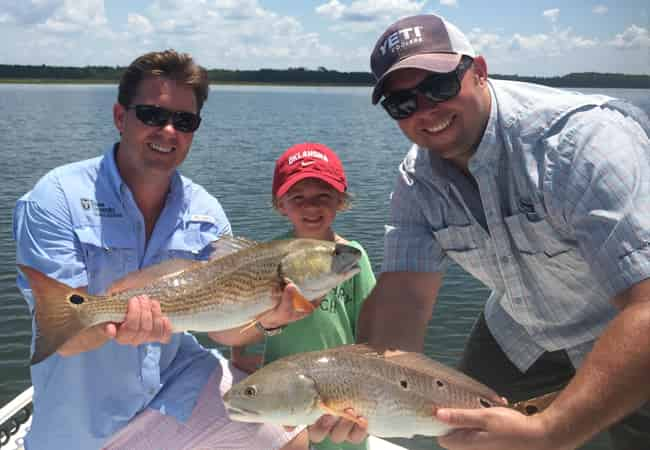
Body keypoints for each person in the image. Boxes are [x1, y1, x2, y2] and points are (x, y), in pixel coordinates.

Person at [329, 14, 650, 450]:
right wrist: (355, 394)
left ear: (478, 70)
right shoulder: (416, 179)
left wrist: (550, 432)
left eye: (439, 86)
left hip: (622, 324)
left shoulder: (582, 145)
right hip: (521, 323)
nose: (425, 111)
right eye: (402, 104)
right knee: (463, 431)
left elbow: (646, 306)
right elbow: (403, 295)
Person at [12, 49, 309, 450]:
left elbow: (223, 326)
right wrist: (114, 323)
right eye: (152, 115)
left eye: (184, 121)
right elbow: (65, 335)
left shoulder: (206, 212)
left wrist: (268, 320)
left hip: (173, 384)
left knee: (288, 433)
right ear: (121, 117)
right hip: (83, 428)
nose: (168, 131)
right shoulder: (56, 199)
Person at [230, 142, 376, 450]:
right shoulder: (268, 260)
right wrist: (239, 354)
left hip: (341, 392)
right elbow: (245, 317)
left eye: (323, 196)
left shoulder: (354, 258)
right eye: (298, 197)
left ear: (341, 200)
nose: (311, 206)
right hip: (281, 392)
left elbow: (370, 331)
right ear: (281, 204)